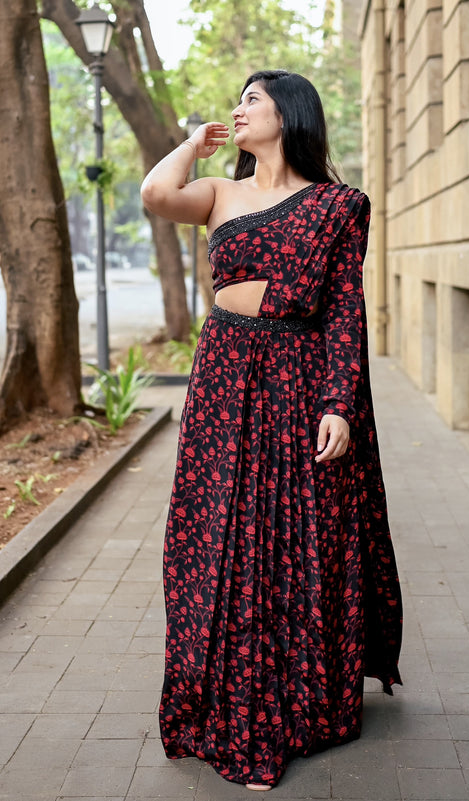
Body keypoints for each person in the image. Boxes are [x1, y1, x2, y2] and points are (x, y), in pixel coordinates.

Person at [141, 69, 402, 791]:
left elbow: (345, 309)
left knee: (292, 538)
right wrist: (192, 145)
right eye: (238, 99)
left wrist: (338, 403)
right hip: (224, 377)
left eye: (251, 98)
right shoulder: (220, 195)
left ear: (289, 112)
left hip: (296, 375)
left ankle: (291, 705)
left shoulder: (338, 206)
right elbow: (155, 195)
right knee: (217, 532)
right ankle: (226, 698)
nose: (237, 107)